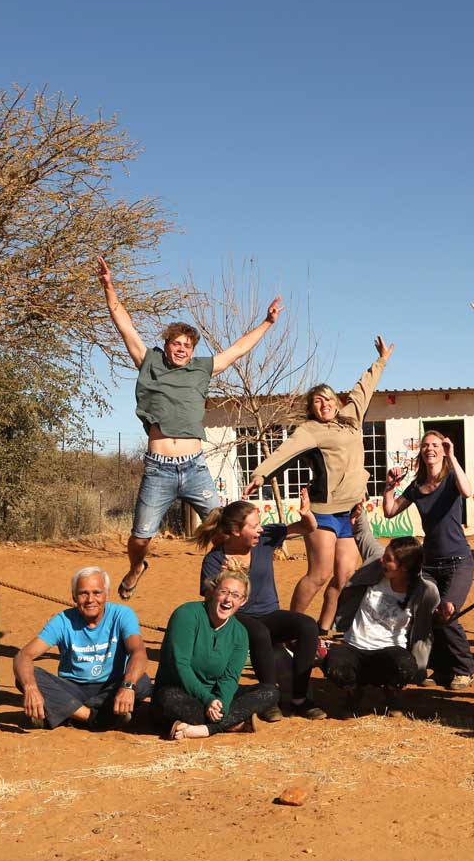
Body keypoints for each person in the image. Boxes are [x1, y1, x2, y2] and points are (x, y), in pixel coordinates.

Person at [97, 257, 282, 599]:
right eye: (176, 343)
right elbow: (123, 324)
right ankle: (137, 567)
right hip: (159, 470)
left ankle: (228, 582)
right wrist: (109, 286)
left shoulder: (201, 369)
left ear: (192, 350)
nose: (181, 349)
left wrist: (267, 323)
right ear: (167, 344)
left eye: (187, 345)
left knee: (225, 529)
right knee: (140, 537)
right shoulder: (149, 362)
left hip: (195, 467)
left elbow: (238, 350)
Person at [244, 336, 394, 632]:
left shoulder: (351, 417)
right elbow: (284, 452)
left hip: (349, 513)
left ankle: (323, 630)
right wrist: (260, 475)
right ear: (312, 409)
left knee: (345, 574)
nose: (324, 404)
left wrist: (381, 360)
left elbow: (363, 388)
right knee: (320, 574)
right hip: (324, 511)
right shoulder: (310, 430)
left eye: (327, 399)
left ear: (336, 402)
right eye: (317, 401)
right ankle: (288, 628)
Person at [196, 489, 325, 721]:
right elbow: (211, 603)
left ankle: (300, 699)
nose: (261, 529)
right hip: (237, 618)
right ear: (236, 531)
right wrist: (225, 578)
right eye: (254, 526)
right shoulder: (215, 559)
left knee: (307, 626)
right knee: (259, 632)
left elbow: (308, 527)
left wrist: (306, 513)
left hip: (269, 614)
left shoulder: (265, 541)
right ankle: (268, 698)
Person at [381, 430, 474, 690]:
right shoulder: (417, 486)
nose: (430, 449)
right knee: (429, 616)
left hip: (459, 560)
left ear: (443, 450)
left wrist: (453, 456)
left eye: (435, 445)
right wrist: (389, 487)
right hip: (430, 564)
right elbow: (389, 511)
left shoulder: (452, 478)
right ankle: (443, 670)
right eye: (425, 445)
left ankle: (465, 668)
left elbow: (467, 491)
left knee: (447, 611)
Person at [13, 567, 152, 730]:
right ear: (74, 596)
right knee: (27, 677)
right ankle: (92, 717)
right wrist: (30, 688)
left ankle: (68, 712)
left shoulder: (122, 615)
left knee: (141, 682)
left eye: (97, 593)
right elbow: (23, 656)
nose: (90, 599)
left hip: (111, 687)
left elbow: (138, 652)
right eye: (83, 593)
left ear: (107, 594)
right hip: (72, 688)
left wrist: (127, 686)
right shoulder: (63, 621)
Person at [325, 525, 440, 717]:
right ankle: (354, 691)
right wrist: (357, 514)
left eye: (388, 559)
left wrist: (443, 615)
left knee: (405, 667)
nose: (382, 560)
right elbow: (363, 534)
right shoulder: (375, 568)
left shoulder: (425, 591)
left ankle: (391, 691)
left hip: (389, 650)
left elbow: (429, 623)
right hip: (355, 646)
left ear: (404, 567)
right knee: (333, 665)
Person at [156, 571, 281, 739]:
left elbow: (230, 678)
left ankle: (204, 729)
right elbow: (181, 665)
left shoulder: (240, 633)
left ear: (243, 601)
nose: (228, 599)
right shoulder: (186, 614)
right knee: (167, 698)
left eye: (236, 595)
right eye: (223, 592)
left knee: (270, 691)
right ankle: (232, 723)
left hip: (214, 699)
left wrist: (221, 703)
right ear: (212, 592)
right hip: (182, 692)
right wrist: (208, 700)